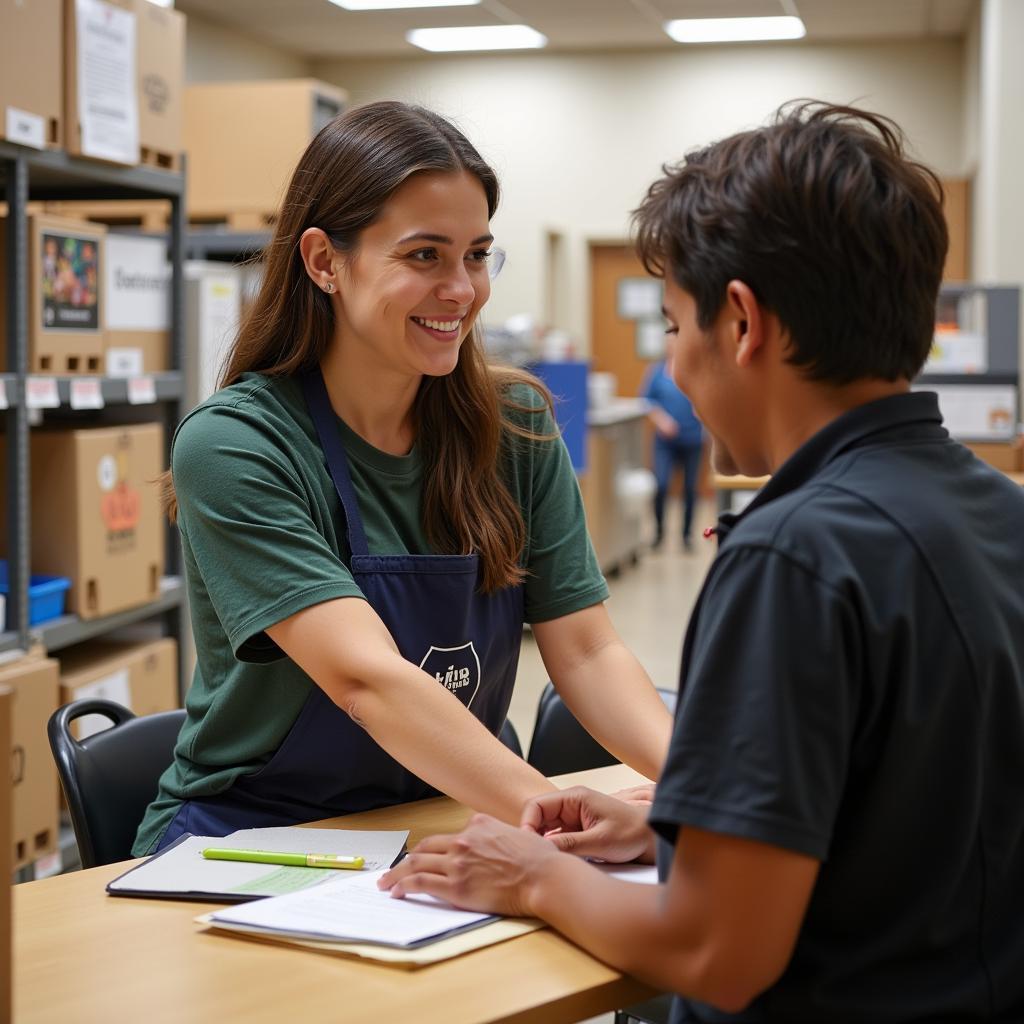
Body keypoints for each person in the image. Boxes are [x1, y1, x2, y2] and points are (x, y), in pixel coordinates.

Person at [381, 102, 1024, 1022]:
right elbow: (916, 810)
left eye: (676, 327)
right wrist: (692, 825)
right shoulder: (1000, 514)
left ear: (743, 323)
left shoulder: (794, 557)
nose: (675, 366)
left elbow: (715, 953)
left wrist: (533, 879)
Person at [133, 102, 672, 856]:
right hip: (256, 838)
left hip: (451, 810)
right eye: (425, 256)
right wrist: (559, 817)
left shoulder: (513, 424)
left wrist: (700, 802)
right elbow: (367, 682)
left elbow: (586, 651)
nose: (462, 290)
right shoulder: (236, 445)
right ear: (324, 261)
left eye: (478, 255)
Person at [642, 359, 704, 550]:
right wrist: (662, 421)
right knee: (660, 484)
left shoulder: (696, 368)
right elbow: (647, 401)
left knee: (690, 488)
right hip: (665, 441)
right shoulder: (657, 371)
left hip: (692, 438)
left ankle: (687, 536)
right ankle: (659, 532)